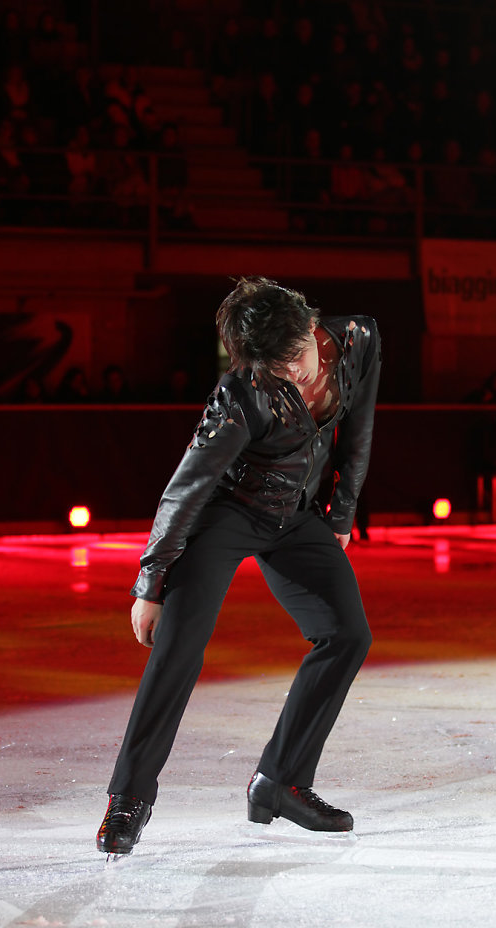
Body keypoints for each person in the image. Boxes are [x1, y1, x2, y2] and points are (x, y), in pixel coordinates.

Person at [96, 277, 381, 855]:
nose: (295, 373)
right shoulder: (240, 393)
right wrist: (150, 585)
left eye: (297, 356)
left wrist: (341, 517)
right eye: (279, 368)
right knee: (177, 648)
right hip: (226, 514)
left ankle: (282, 782)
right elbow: (186, 489)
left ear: (311, 325)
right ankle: (129, 797)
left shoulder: (358, 340)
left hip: (297, 515)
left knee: (346, 635)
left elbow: (359, 430)